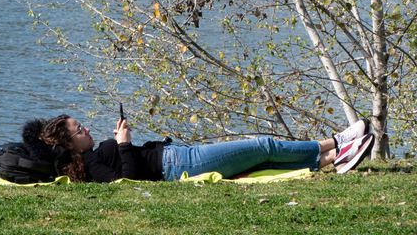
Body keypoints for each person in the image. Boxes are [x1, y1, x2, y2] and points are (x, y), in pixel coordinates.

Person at [30, 113, 374, 182]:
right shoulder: (90, 167)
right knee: (262, 145)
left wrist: (123, 146)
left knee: (258, 160)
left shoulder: (90, 159)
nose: (85, 128)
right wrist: (124, 144)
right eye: (80, 129)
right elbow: (129, 183)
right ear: (68, 142)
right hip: (181, 165)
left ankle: (331, 160)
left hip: (178, 158)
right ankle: (336, 142)